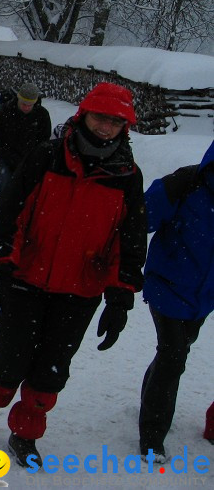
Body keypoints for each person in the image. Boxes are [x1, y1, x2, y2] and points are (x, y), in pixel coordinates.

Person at [0, 82, 147, 468]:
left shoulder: (127, 177)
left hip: (79, 291)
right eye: (101, 118)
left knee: (52, 367)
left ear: (125, 128)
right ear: (85, 115)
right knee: (11, 357)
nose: (106, 128)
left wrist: (120, 297)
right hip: (26, 279)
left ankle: (25, 432)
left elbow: (129, 242)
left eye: (116, 122)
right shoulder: (47, 156)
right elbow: (9, 214)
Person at [138, 140, 214, 463]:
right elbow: (141, 217)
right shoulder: (188, 183)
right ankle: (152, 437)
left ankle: (148, 398)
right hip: (167, 285)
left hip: (203, 297)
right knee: (173, 357)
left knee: (172, 354)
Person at [0, 82, 51, 197]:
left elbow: (44, 138)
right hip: (3, 157)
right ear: (18, 98)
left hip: (27, 159)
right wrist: (4, 150)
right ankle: (1, 213)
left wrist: (34, 155)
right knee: (5, 188)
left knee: (24, 193)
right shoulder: (3, 111)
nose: (26, 107)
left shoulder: (42, 115)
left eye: (30, 105)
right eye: (24, 103)